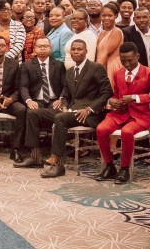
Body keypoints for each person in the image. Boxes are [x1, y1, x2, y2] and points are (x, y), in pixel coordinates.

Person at [39, 39, 113, 178]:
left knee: (60, 119)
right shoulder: (69, 72)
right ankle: (37, 156)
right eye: (73, 49)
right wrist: (64, 106)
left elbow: (107, 92)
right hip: (72, 112)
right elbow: (66, 95)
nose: (76, 52)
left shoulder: (95, 67)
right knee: (40, 113)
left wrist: (90, 109)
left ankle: (58, 163)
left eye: (79, 49)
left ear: (86, 51)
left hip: (90, 115)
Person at [96, 42, 150, 184]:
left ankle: (124, 168)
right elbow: (115, 95)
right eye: (123, 61)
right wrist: (112, 101)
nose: (127, 64)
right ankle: (109, 165)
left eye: (130, 60)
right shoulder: (118, 73)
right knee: (100, 129)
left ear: (138, 56)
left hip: (140, 116)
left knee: (126, 132)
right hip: (120, 114)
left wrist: (136, 98)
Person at [13, 37, 68, 167]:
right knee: (31, 112)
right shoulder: (26, 65)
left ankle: (57, 155)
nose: (42, 49)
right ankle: (35, 156)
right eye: (39, 46)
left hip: (55, 100)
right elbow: (23, 86)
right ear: (35, 49)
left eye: (45, 46)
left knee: (59, 114)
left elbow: (66, 86)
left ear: (50, 48)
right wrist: (28, 100)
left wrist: (61, 98)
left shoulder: (59, 65)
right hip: (37, 101)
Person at [96, 3, 125, 89]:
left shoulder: (116, 31)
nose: (106, 18)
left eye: (110, 15)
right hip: (102, 66)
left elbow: (104, 53)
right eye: (103, 15)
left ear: (116, 16)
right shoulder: (102, 32)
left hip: (112, 67)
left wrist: (94, 72)